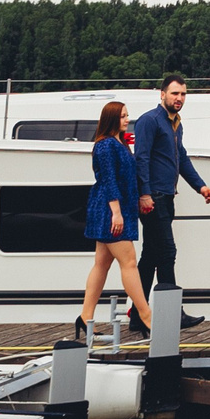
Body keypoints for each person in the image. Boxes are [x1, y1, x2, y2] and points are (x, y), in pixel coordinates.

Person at [131, 74, 210, 327]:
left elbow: (182, 160)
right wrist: (144, 194)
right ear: (162, 94)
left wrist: (200, 186)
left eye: (183, 94)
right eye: (174, 93)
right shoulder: (150, 121)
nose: (179, 98)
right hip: (153, 197)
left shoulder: (175, 123)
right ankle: (172, 315)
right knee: (168, 252)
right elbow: (142, 159)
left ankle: (138, 315)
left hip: (166, 196)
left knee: (151, 256)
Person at [78, 100, 153, 338]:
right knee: (129, 262)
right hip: (110, 210)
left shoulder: (118, 143)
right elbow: (109, 180)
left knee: (102, 263)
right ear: (111, 119)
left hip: (117, 209)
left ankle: (85, 316)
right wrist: (116, 212)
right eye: (122, 116)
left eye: (127, 115)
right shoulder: (105, 146)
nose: (126, 119)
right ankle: (145, 315)